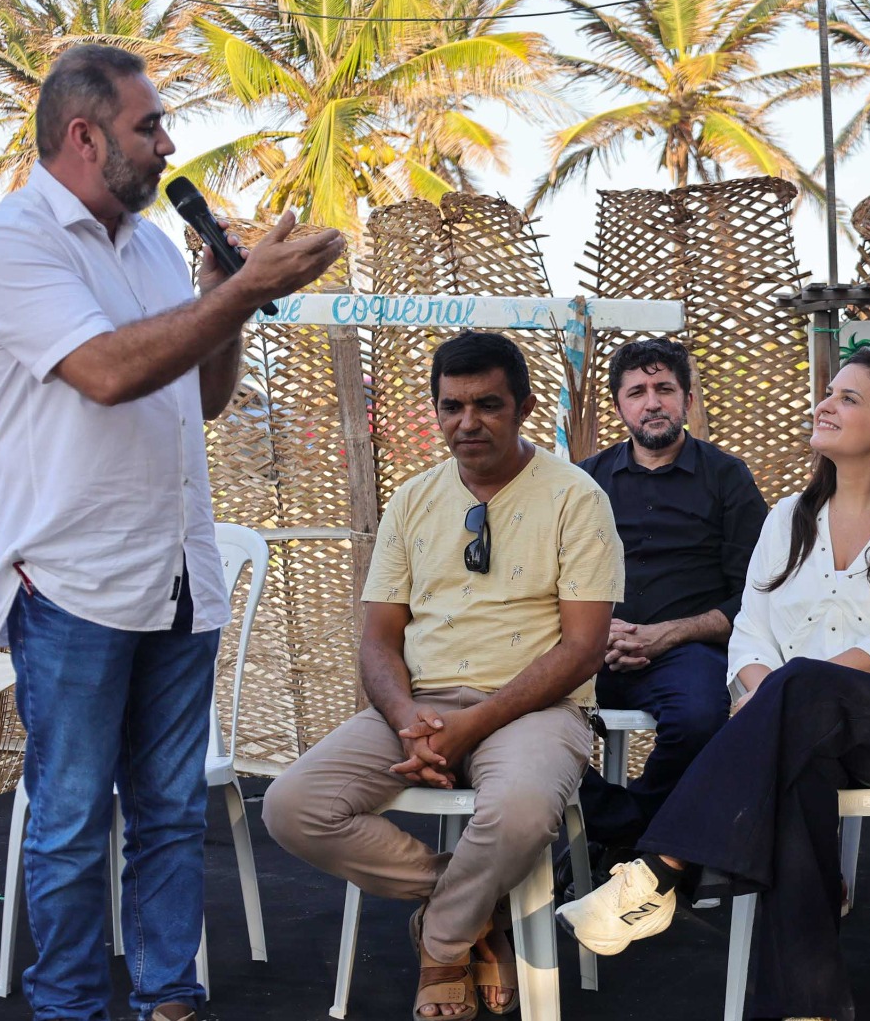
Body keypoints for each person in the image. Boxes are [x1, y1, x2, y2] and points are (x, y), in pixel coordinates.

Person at [0, 44, 343, 1021]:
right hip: (75, 583)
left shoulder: (151, 248)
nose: (169, 144)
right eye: (150, 125)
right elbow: (106, 372)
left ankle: (170, 998)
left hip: (178, 576)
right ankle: (69, 1007)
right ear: (84, 136)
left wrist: (222, 301)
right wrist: (240, 292)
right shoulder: (14, 242)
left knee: (171, 815)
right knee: (72, 820)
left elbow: (202, 397)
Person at [557, 349, 870, 1021]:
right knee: (796, 768)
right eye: (828, 393)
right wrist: (765, 695)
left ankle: (660, 869)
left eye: (847, 398)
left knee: (801, 686)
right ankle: (806, 1006)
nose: (825, 405)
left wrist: (776, 697)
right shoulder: (790, 518)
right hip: (804, 729)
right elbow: (750, 633)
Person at [262, 331, 623, 1021]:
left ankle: (443, 945)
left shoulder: (576, 498)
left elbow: (583, 650)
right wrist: (407, 719)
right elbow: (378, 640)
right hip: (419, 705)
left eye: (488, 405)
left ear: (523, 407)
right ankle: (475, 907)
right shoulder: (413, 499)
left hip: (536, 708)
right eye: (452, 406)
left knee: (520, 811)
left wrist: (470, 727)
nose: (467, 422)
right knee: (291, 807)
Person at [574, 338, 768, 854]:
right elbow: (551, 581)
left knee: (701, 721)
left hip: (687, 653)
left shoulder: (727, 478)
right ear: (619, 406)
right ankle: (628, 829)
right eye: (637, 392)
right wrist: (596, 632)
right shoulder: (585, 481)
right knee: (516, 710)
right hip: (590, 648)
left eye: (664, 388)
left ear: (688, 400)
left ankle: (616, 838)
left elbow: (756, 596)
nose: (652, 402)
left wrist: (669, 634)